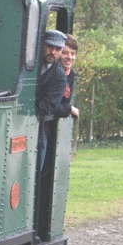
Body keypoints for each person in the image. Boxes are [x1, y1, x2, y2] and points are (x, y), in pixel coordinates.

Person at [36, 29, 67, 173]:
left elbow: (47, 106)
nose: (52, 52)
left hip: (38, 130)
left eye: (57, 49)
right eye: (49, 46)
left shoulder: (58, 76)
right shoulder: (31, 65)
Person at [58, 35, 80, 120]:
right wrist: (70, 109)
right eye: (64, 53)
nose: (69, 57)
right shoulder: (52, 73)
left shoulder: (71, 74)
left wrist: (67, 108)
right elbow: (51, 105)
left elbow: (65, 102)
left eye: (73, 53)